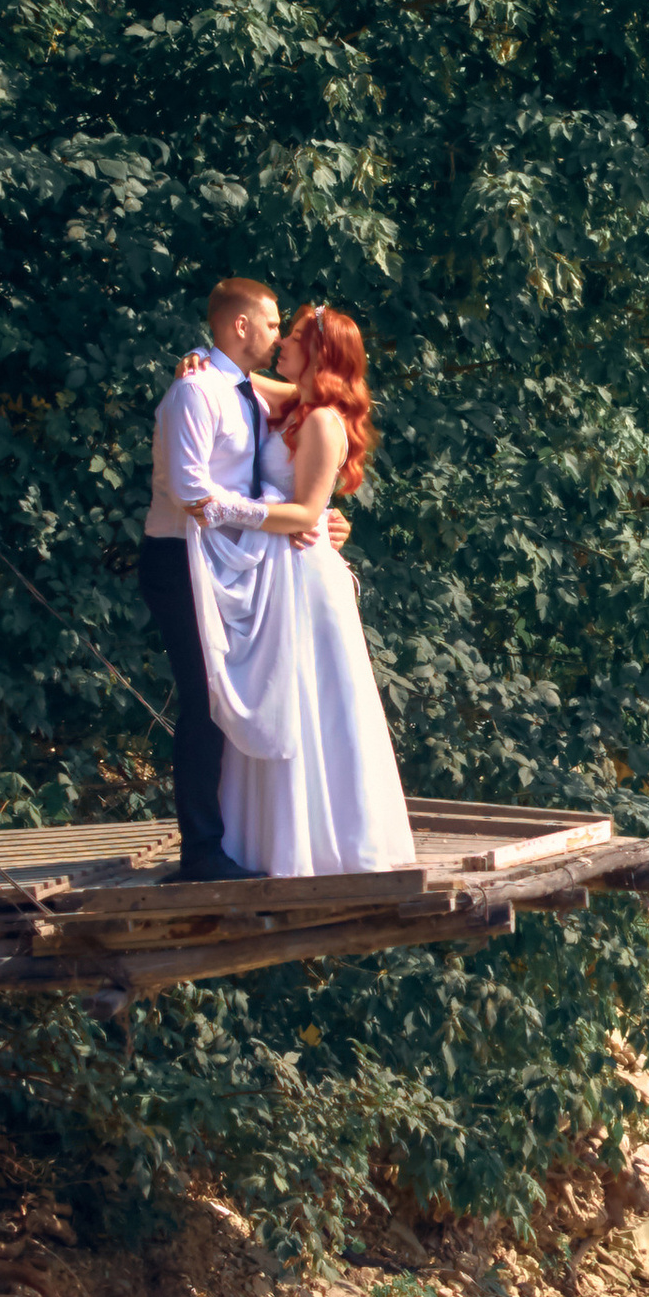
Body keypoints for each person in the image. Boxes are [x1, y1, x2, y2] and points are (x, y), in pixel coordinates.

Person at [180, 302, 415, 879]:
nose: (282, 341)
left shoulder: (321, 419)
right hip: (278, 569)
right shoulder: (295, 404)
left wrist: (233, 509)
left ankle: (324, 847)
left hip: (306, 576)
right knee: (280, 694)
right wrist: (197, 361)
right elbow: (237, 377)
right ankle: (272, 843)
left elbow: (308, 509)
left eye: (297, 337)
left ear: (320, 353)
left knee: (313, 704)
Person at [141, 275, 305, 881]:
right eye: (270, 323)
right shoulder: (195, 392)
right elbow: (192, 494)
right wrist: (280, 521)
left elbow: (304, 439)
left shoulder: (246, 392)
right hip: (177, 561)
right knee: (205, 700)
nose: (277, 334)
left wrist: (314, 515)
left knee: (225, 698)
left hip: (224, 562)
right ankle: (201, 852)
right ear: (240, 325)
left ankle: (229, 838)